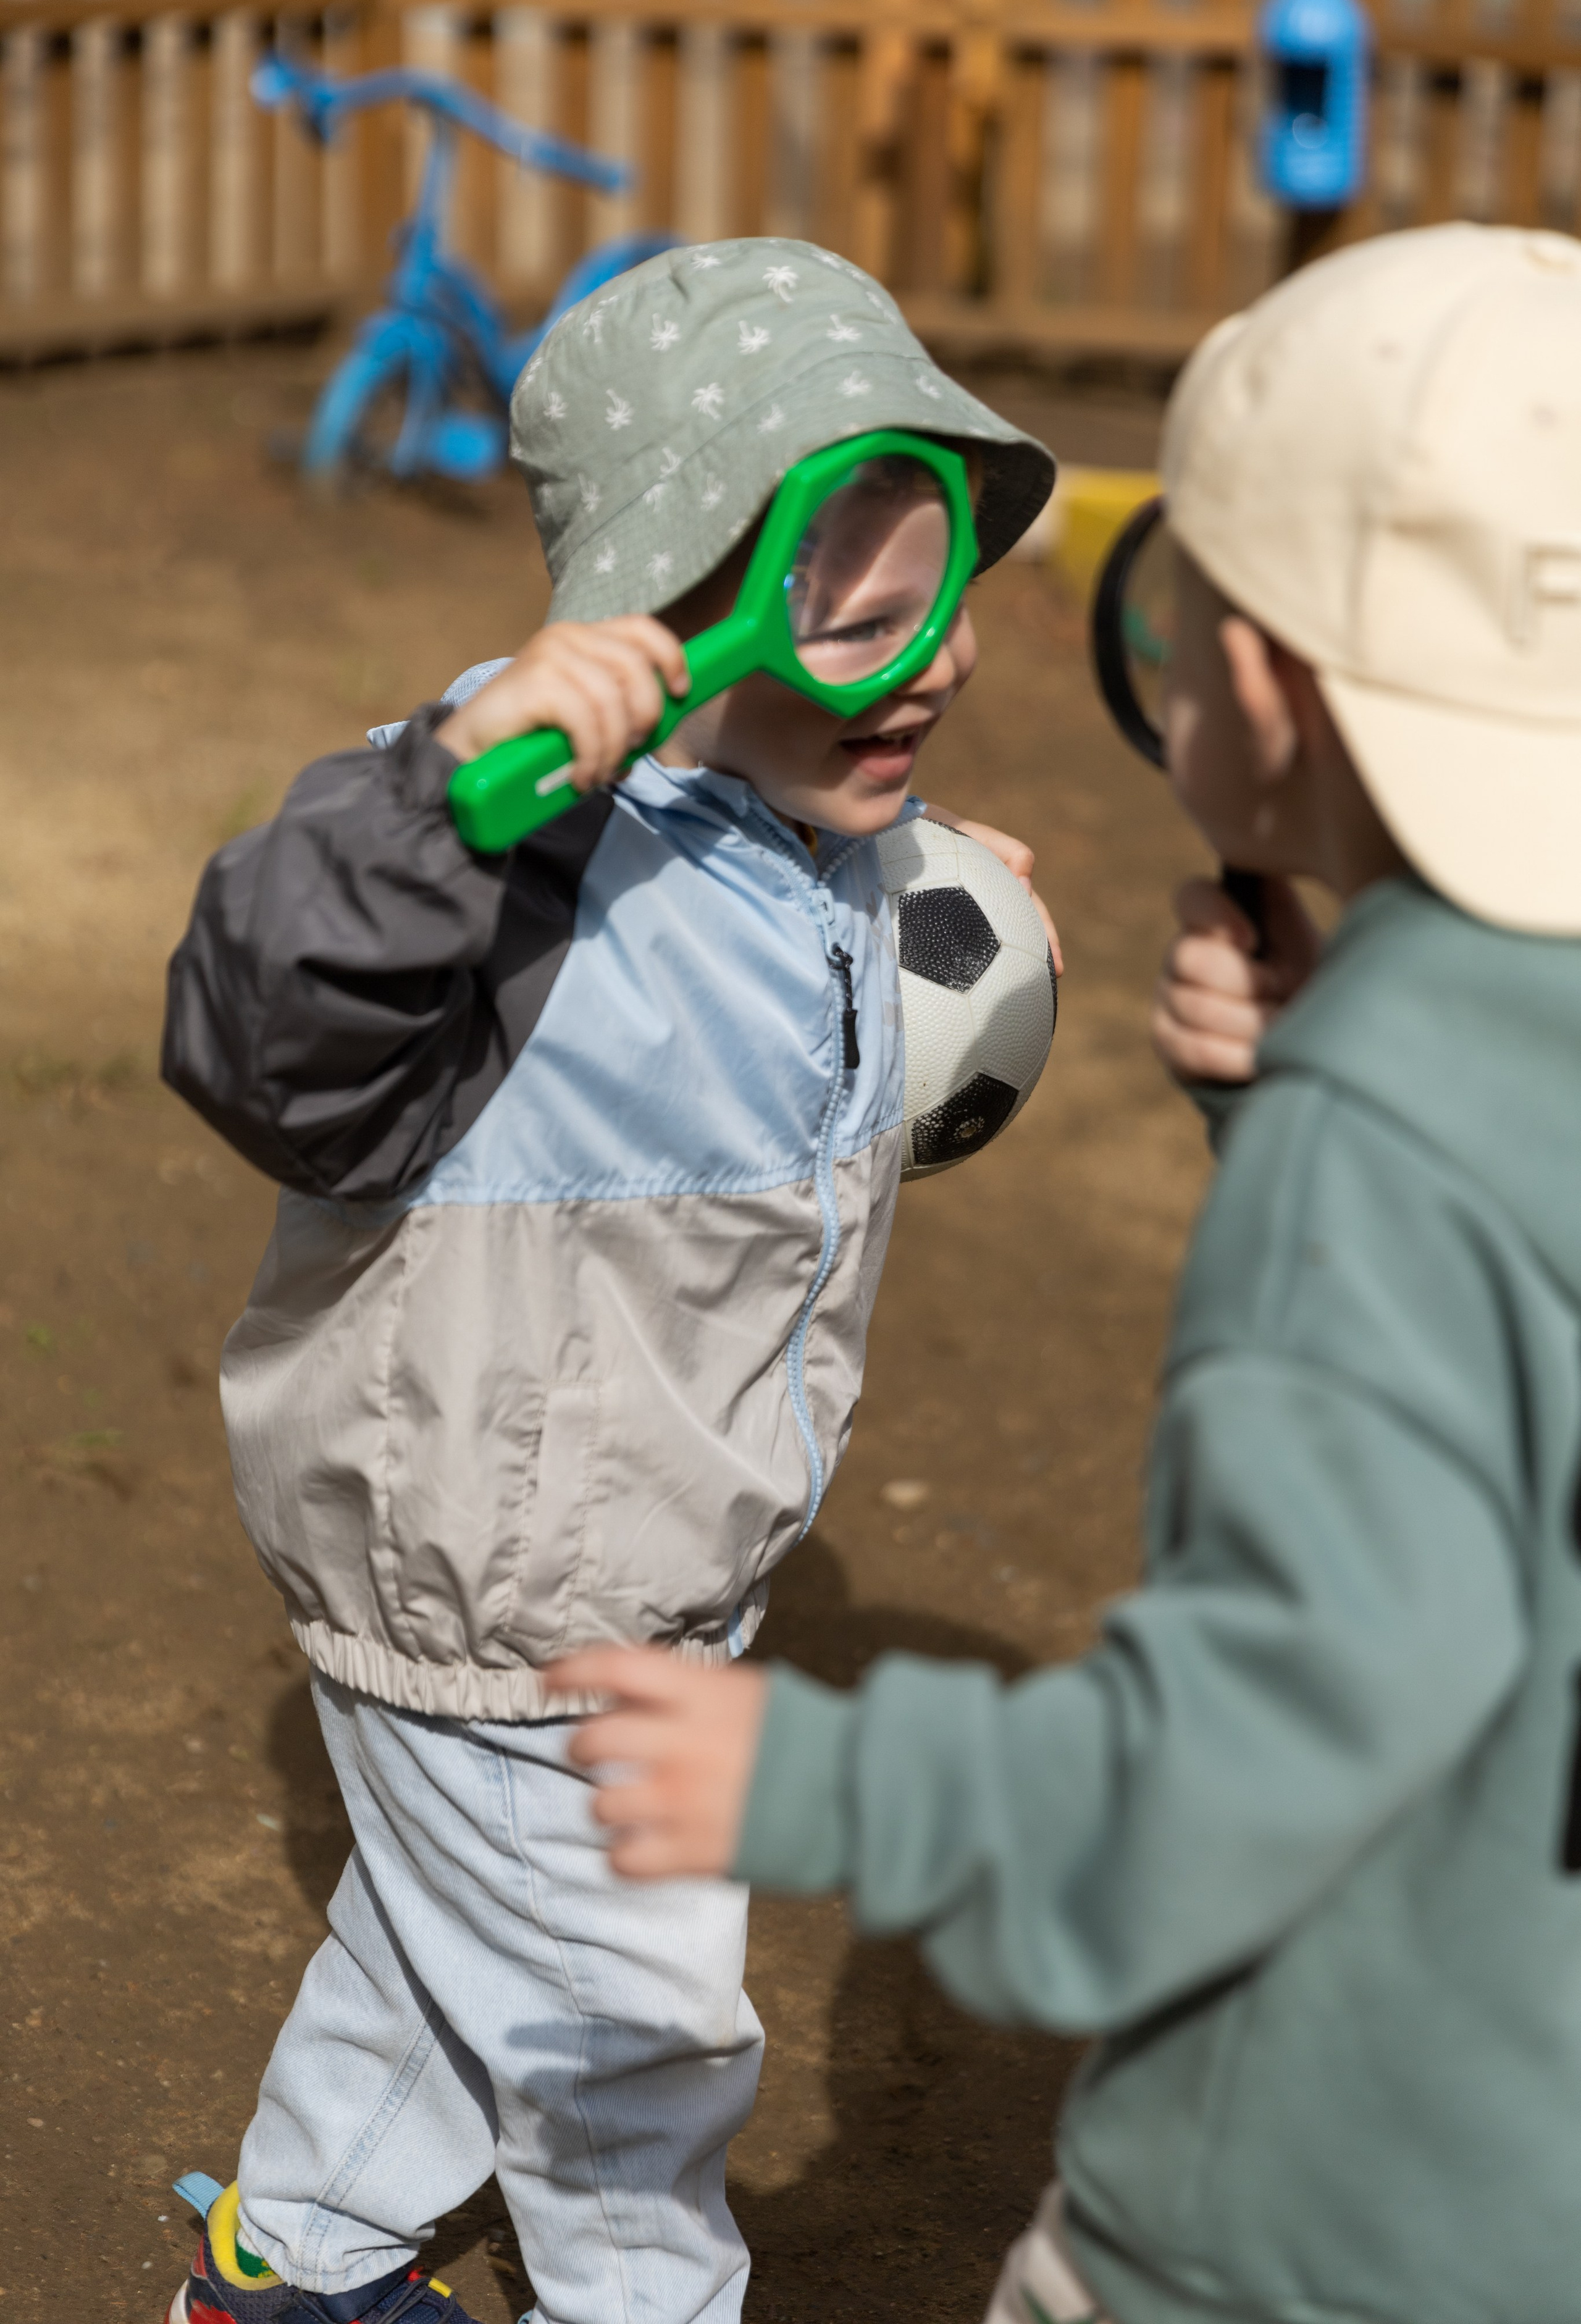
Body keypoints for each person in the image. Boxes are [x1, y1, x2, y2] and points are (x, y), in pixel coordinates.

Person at [545, 221, 1581, 2324]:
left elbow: (1275, 1737)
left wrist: (828, 1779)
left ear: (1265, 693)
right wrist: (1305, 1086)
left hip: (1306, 2223)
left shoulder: (1378, 1147)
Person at [156, 238, 1056, 2324]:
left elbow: (787, 974)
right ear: (671, 604)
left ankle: (277, 2271)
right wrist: (459, 790)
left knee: (437, 1964)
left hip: (623, 1565)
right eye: (851, 592)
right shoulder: (486, 870)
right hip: (501, 1595)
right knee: (635, 2061)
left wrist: (962, 911)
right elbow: (259, 1016)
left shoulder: (827, 844)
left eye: (943, 577)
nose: (934, 649)